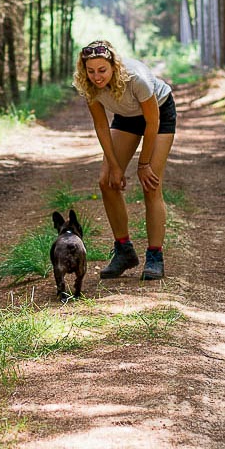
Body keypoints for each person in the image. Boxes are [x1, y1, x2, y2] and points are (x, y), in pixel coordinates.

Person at [73, 40, 176, 280]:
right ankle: (124, 250)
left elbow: (153, 122)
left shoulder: (135, 78)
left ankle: (155, 256)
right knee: (107, 181)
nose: (97, 77)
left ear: (113, 66)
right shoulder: (87, 84)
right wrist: (115, 167)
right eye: (91, 71)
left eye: (102, 70)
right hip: (126, 118)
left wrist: (143, 164)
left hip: (158, 114)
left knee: (151, 183)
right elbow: (101, 124)